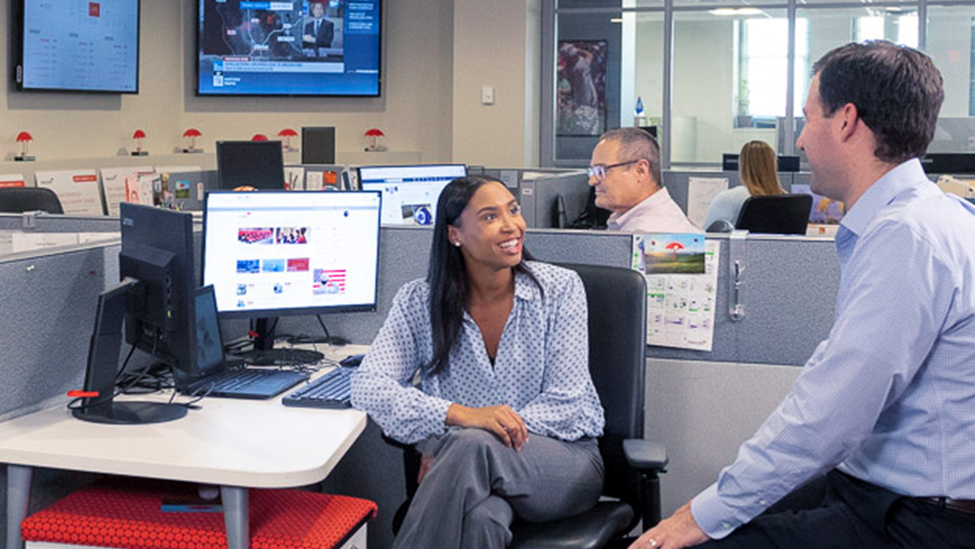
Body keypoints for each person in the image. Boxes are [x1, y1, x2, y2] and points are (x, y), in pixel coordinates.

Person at [631, 40, 975, 549]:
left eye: (808, 118)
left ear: (846, 122)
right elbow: (831, 380)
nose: (801, 138)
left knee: (699, 537)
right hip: (876, 489)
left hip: (917, 519)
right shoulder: (926, 218)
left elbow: (832, 412)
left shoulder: (908, 237)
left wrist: (694, 516)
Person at [351, 176, 606, 549]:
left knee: (473, 446)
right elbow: (368, 386)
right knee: (481, 520)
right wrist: (458, 415)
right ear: (455, 234)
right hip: (472, 472)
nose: (512, 225)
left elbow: (566, 404)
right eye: (490, 217)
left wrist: (453, 441)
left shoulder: (560, 290)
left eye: (513, 210)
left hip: (565, 461)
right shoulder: (418, 303)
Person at [589, 128, 700, 233]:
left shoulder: (652, 234)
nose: (592, 181)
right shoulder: (632, 220)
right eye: (593, 171)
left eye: (602, 170)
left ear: (641, 171)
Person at [703, 140, 785, 230]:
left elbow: (707, 239)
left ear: (742, 165)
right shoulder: (788, 201)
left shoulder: (728, 199)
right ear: (773, 165)